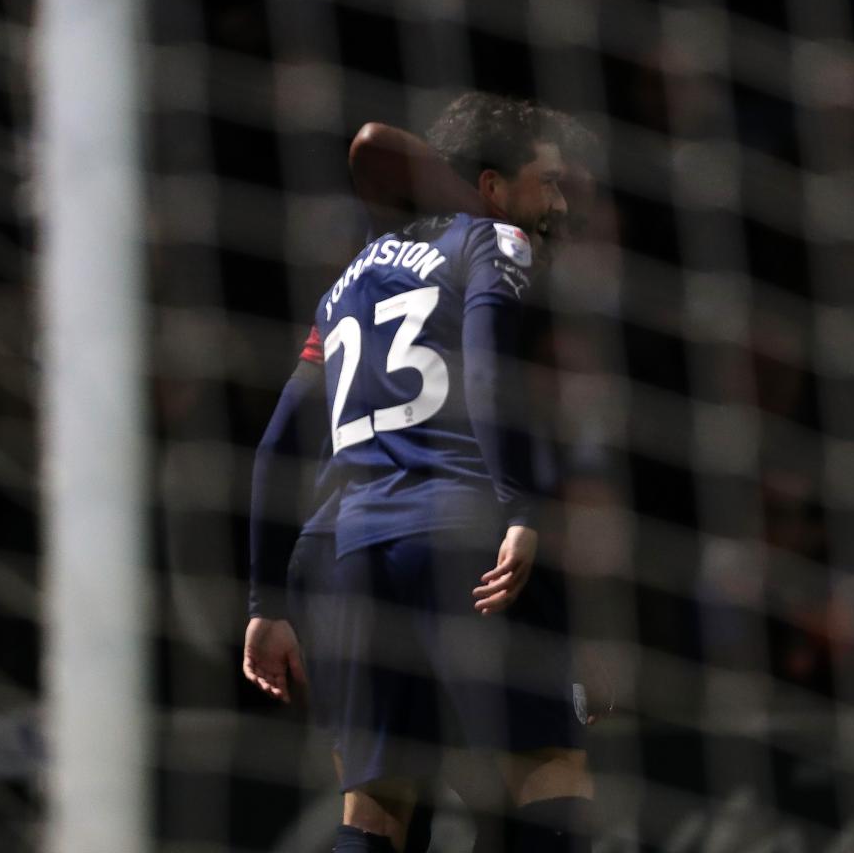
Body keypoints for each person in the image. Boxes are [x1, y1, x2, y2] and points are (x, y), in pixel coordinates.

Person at [245, 94, 597, 853]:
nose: (562, 205)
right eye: (549, 183)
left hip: (345, 555)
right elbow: (490, 374)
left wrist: (263, 601)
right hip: (461, 536)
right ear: (492, 186)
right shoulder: (494, 239)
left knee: (379, 810)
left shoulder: (345, 286)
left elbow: (277, 444)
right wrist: (521, 509)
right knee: (548, 777)